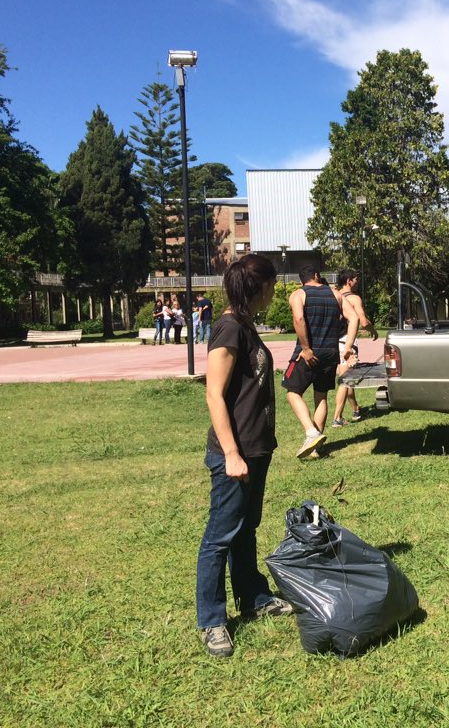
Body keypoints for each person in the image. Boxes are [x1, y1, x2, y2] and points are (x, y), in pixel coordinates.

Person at [196, 253, 293, 658]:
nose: (274, 291)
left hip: (257, 448)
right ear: (260, 287)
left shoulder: (246, 325)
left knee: (245, 528)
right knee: (220, 536)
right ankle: (212, 620)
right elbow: (214, 394)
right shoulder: (229, 327)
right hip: (234, 454)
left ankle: (252, 596)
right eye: (271, 284)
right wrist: (232, 454)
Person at [281, 266, 358, 458]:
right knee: (321, 396)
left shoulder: (298, 294)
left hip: (307, 354)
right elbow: (354, 317)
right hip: (331, 353)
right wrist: (348, 346)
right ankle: (314, 449)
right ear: (317, 276)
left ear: (302, 280)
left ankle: (311, 432)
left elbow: (299, 318)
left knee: (292, 392)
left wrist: (306, 348)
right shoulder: (336, 294)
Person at [331, 268, 376, 427]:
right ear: (349, 280)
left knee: (347, 377)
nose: (357, 282)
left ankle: (356, 409)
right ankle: (337, 418)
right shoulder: (354, 298)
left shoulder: (334, 295)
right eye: (356, 279)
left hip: (333, 341)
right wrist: (373, 331)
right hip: (347, 341)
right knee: (345, 380)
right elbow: (363, 322)